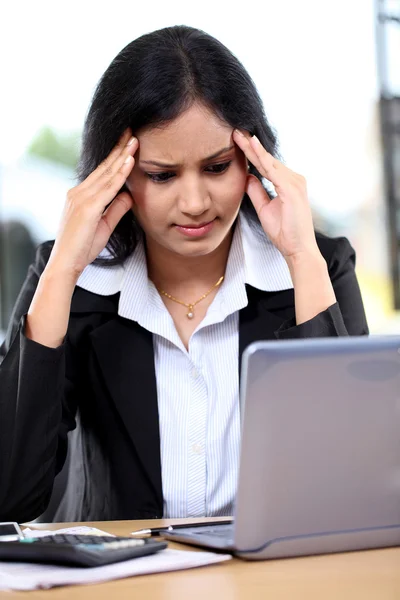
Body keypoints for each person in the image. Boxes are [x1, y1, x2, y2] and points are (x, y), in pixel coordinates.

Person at [0, 25, 368, 524]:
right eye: (162, 175)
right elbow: (10, 498)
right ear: (116, 170)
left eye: (218, 167)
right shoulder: (69, 277)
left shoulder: (316, 267)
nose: (195, 204)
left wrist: (302, 258)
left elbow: (350, 487)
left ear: (254, 158)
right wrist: (65, 268)